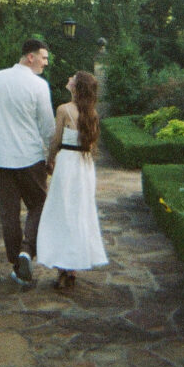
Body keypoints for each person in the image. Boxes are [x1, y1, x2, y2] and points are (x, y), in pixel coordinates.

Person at [0, 38, 55, 288]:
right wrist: (50, 155)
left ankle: (17, 264)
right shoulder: (39, 85)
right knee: (40, 204)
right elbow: (47, 127)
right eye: (43, 57)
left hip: (1, 158)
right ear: (30, 57)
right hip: (31, 158)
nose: (46, 62)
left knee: (8, 213)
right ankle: (26, 252)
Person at [36, 70, 108, 290]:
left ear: (77, 86)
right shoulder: (92, 113)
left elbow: (56, 139)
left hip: (67, 163)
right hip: (84, 165)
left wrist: (50, 160)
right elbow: (91, 144)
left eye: (72, 78)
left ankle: (63, 268)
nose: (68, 79)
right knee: (80, 212)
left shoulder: (64, 109)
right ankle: (73, 267)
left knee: (62, 212)